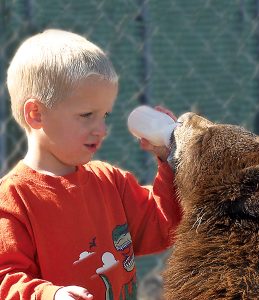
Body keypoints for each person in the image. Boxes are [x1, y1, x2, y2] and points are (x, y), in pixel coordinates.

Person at [0, 29, 181, 300]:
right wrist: (50, 295)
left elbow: (163, 226)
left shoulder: (112, 182)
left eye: (104, 115)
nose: (102, 129)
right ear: (36, 114)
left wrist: (170, 159)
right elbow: (6, 279)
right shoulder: (13, 199)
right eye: (87, 115)